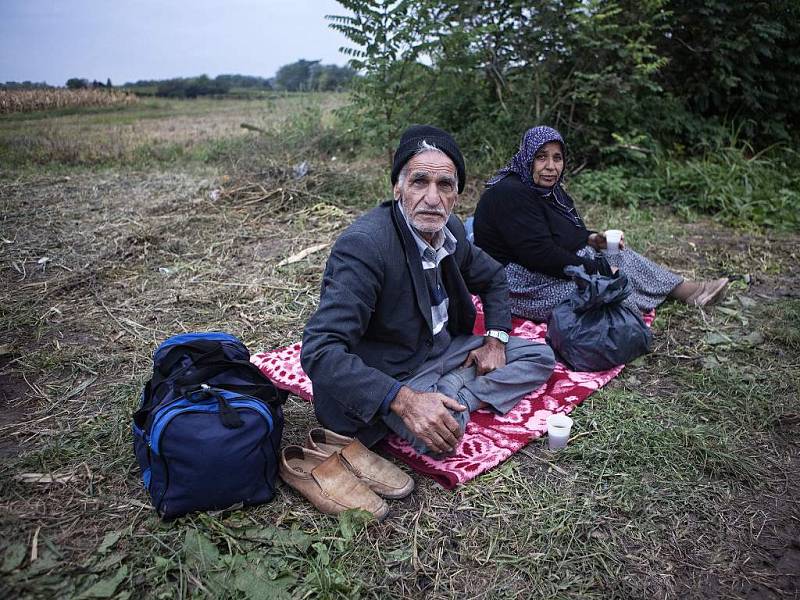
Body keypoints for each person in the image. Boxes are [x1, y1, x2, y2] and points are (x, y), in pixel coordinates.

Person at [301, 125, 555, 456]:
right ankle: (447, 396)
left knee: (540, 356)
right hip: (393, 372)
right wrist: (403, 400)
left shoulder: (449, 229)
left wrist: (494, 341)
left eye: (445, 185)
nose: (432, 199)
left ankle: (451, 392)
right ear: (398, 188)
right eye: (420, 181)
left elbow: (493, 277)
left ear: (456, 194)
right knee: (444, 440)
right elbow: (320, 351)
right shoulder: (365, 246)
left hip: (445, 351)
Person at [473, 125, 729, 322]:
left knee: (612, 250)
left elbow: (566, 232)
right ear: (527, 158)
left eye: (557, 158)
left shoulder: (549, 191)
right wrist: (597, 269)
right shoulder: (510, 193)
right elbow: (539, 254)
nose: (551, 167)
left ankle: (686, 290)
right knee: (598, 287)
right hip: (514, 282)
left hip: (538, 266)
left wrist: (592, 238)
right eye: (541, 157)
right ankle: (631, 311)